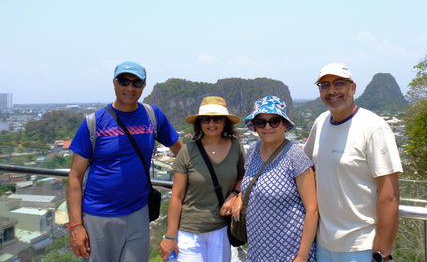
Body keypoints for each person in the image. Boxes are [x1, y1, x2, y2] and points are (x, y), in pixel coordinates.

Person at [67, 61, 183, 262]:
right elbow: (75, 177)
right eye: (124, 81)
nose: (130, 88)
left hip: (138, 212)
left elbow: (182, 153)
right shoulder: (94, 123)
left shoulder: (152, 116)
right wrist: (76, 226)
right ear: (114, 82)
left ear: (144, 86)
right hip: (99, 216)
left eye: (136, 83)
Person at [303, 63, 403, 262]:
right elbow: (303, 166)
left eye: (339, 83)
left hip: (361, 247)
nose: (332, 90)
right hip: (322, 244)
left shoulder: (374, 127)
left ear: (353, 88)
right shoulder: (321, 122)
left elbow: (390, 196)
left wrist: (381, 254)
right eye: (324, 85)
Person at [159, 96, 245, 262]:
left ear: (225, 121)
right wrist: (170, 237)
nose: (211, 124)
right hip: (189, 231)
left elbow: (243, 177)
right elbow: (176, 196)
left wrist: (234, 194)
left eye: (217, 118)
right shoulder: (188, 151)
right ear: (199, 122)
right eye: (206, 118)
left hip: (221, 229)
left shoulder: (236, 147)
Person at [242, 95, 318, 262]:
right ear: (255, 126)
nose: (267, 126)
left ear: (284, 124)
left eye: (274, 121)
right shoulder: (252, 150)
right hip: (257, 252)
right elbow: (248, 184)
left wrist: (302, 257)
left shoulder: (295, 156)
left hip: (288, 254)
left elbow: (312, 210)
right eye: (261, 122)